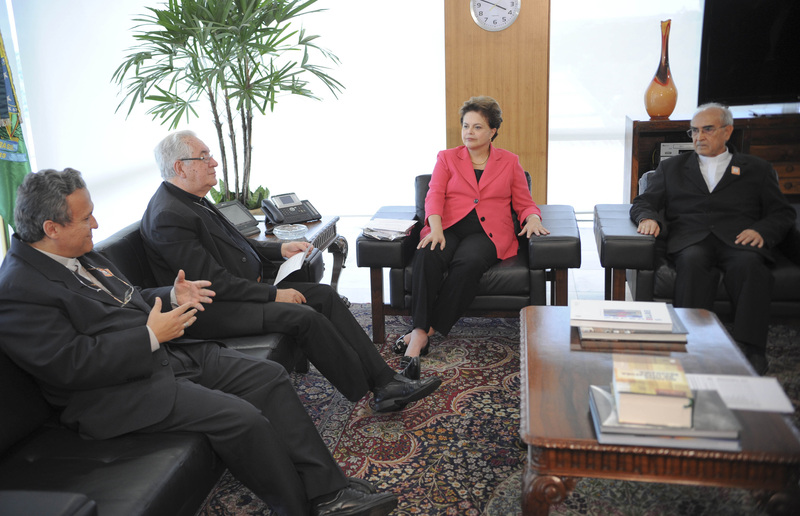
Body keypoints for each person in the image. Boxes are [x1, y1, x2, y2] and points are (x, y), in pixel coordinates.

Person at [0, 168, 399, 516]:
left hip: (163, 356)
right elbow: (68, 365)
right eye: (86, 218)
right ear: (51, 229)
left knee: (269, 378)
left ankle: (328, 491)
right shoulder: (19, 288)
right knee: (242, 419)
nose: (97, 225)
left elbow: (127, 297)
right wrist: (150, 336)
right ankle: (302, 507)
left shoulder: (78, 255)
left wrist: (172, 296)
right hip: (113, 395)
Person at [140, 130, 441, 410]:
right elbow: (211, 283)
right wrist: (273, 294)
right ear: (180, 167)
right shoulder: (169, 215)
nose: (214, 162)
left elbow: (235, 245)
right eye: (204, 156)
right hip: (210, 311)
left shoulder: (193, 201)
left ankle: (385, 380)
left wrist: (279, 248)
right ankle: (370, 391)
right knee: (305, 316)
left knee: (323, 296)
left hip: (232, 295)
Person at [630, 103, 796, 375]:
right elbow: (643, 202)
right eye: (694, 131)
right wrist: (648, 218)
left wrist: (762, 231)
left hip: (739, 240)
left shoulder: (757, 169)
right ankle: (692, 344)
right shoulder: (671, 168)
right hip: (691, 239)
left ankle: (751, 349)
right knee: (693, 261)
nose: (699, 137)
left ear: (727, 131)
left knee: (751, 267)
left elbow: (782, 212)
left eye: (707, 129)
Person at [393, 96, 550, 377]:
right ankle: (419, 330)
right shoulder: (447, 157)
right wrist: (436, 228)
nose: (469, 132)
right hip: (448, 226)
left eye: (477, 127)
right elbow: (435, 195)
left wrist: (534, 218)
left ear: (493, 131)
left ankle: (423, 332)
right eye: (466, 126)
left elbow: (524, 202)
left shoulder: (509, 161)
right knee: (427, 255)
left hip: (488, 233)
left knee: (468, 263)